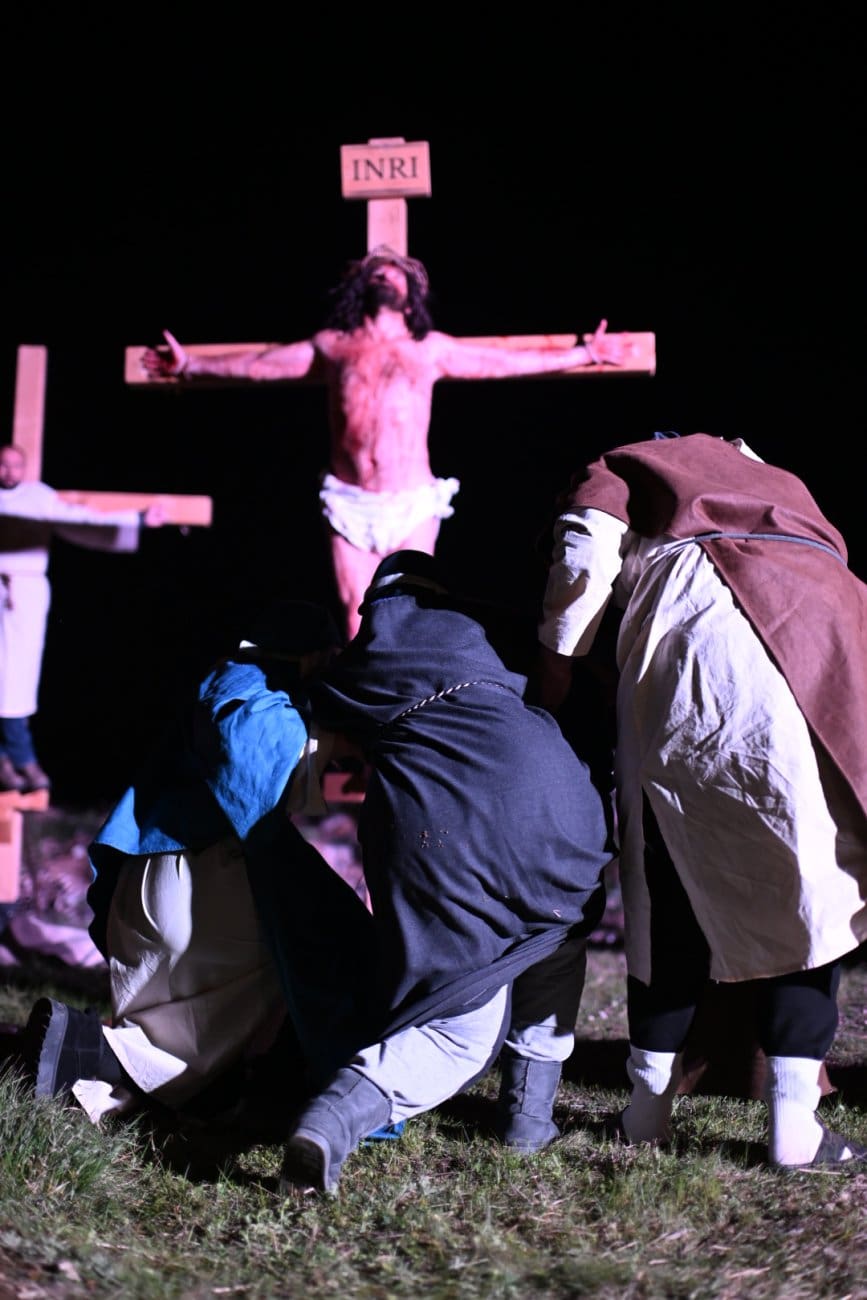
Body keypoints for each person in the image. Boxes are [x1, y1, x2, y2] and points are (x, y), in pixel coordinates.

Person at [535, 430, 867, 1170]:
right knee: (809, 880)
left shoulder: (628, 465)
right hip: (830, 638)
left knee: (667, 881)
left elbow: (586, 547)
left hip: (703, 636)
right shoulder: (775, 478)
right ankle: (794, 1123)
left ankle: (647, 1110)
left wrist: (556, 665)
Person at [278, 549, 614, 1196]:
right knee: (552, 939)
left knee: (459, 1032)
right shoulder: (492, 641)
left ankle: (333, 1119)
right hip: (563, 815)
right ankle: (528, 1119)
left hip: (453, 829)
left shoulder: (367, 665)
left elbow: (311, 708)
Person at [20, 599, 383, 1132]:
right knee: (298, 949)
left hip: (154, 885)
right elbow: (246, 743)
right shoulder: (245, 687)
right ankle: (90, 1046)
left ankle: (100, 1079)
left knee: (180, 1050)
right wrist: (335, 737)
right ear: (313, 655)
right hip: (192, 883)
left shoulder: (237, 682)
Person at [141, 246, 630, 639]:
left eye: (396, 272)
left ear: (411, 296)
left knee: (412, 613)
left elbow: (504, 362)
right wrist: (190, 365)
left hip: (411, 502)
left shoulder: (427, 348)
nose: (385, 273)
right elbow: (258, 366)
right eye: (376, 270)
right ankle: (365, 726)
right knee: (354, 619)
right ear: (360, 287)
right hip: (349, 501)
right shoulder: (334, 346)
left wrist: (583, 353)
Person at [0, 443, 166, 793]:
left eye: (15, 465)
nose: (9, 472)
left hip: (24, 594)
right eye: (3, 465)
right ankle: (11, 760)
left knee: (15, 683)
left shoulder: (37, 497)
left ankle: (19, 757)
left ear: (24, 468)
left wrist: (137, 520)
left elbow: (82, 518)